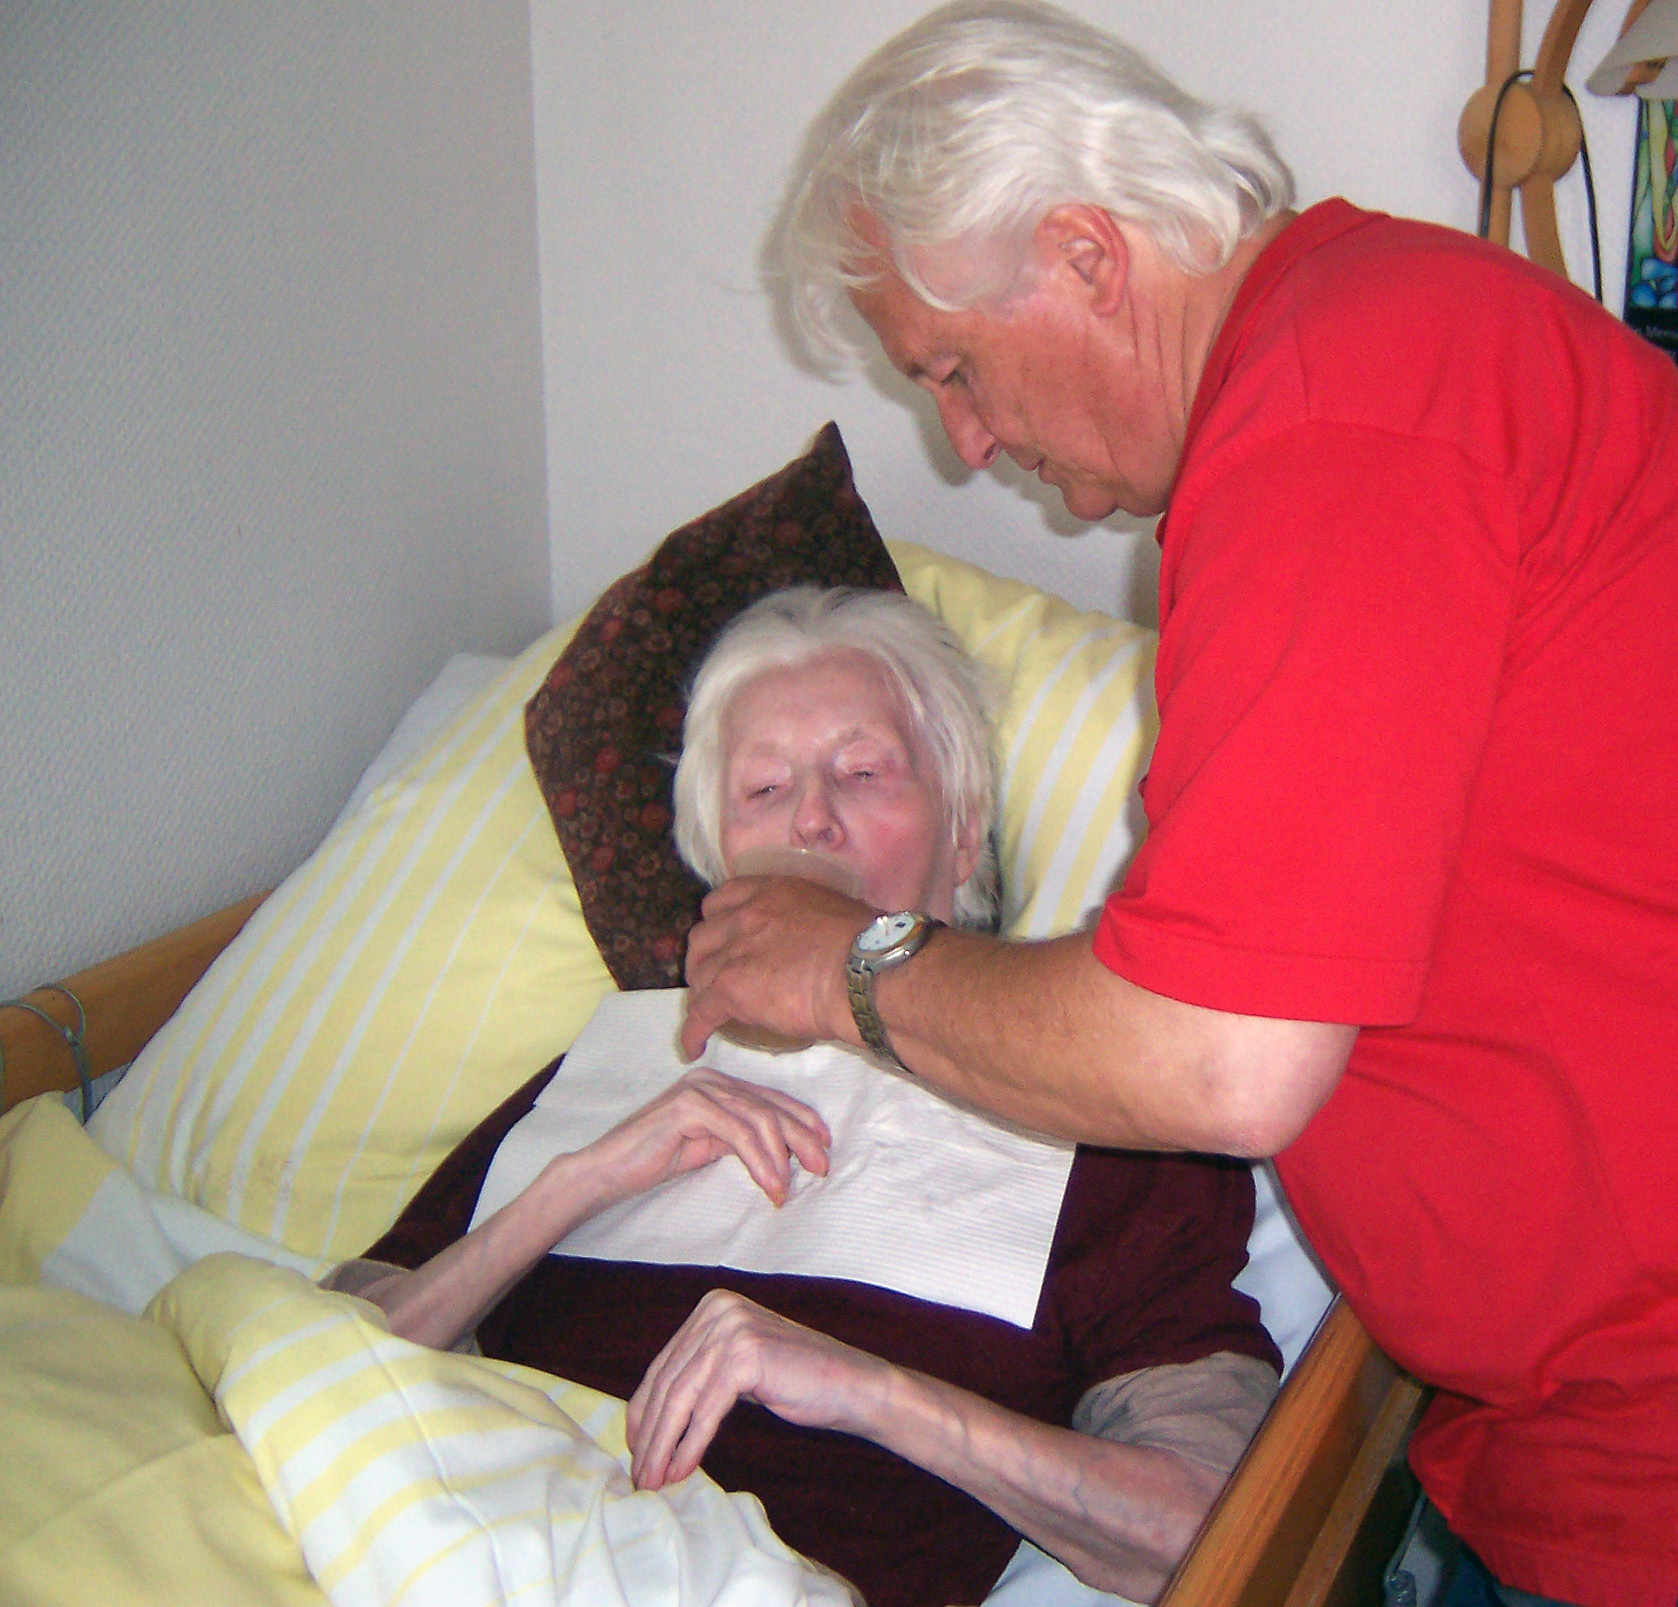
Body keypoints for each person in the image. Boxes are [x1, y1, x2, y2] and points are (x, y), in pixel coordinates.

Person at [674, 0, 1678, 1607]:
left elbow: (1215, 1056)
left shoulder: (1337, 411)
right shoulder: (1380, 342)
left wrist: (849, 964)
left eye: (957, 370)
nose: (969, 436)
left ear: (1082, 255)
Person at [326, 586, 1282, 1607]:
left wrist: (871, 1394)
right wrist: (575, 1185)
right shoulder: (606, 1066)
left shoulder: (1099, 1106)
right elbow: (321, 1360)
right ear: (719, 863)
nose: (814, 819)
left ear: (963, 840)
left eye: (863, 774)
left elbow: (1212, 1523)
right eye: (765, 790)